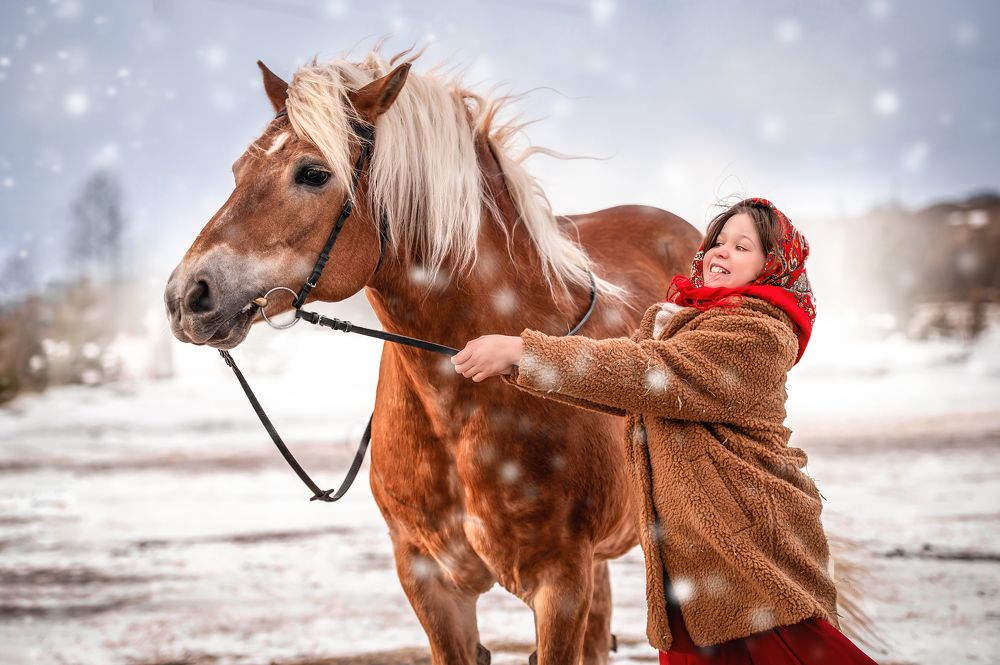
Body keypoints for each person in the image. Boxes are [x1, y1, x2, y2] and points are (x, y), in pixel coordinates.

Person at [451, 197, 879, 663]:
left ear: (770, 267)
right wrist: (519, 368)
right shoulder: (692, 322)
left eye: (742, 247)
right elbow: (628, 390)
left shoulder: (757, 334)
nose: (720, 251)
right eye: (718, 240)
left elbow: (647, 372)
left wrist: (524, 353)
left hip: (751, 564)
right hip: (701, 567)